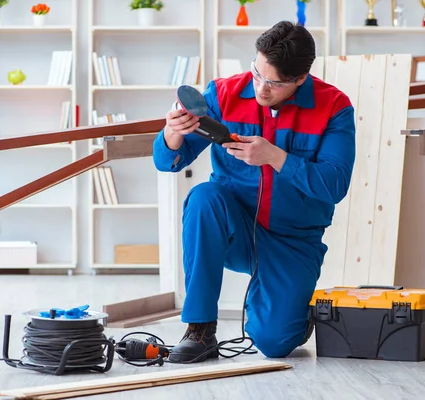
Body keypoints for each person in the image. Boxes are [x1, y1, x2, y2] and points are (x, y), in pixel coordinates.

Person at [152, 20, 356, 363]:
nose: (260, 88)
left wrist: (275, 157)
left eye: (274, 83)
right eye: (257, 73)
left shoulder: (334, 107)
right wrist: (172, 132)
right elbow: (167, 161)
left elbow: (334, 185)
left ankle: (287, 310)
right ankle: (200, 328)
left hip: (292, 241)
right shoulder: (223, 94)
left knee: (275, 344)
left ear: (300, 79)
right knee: (204, 198)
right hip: (236, 230)